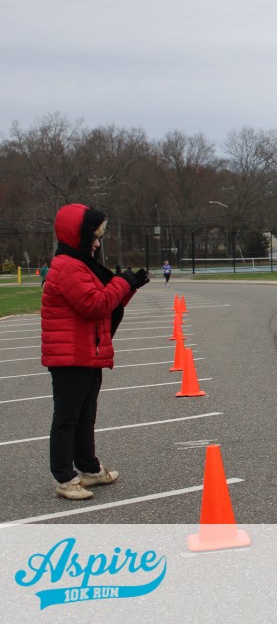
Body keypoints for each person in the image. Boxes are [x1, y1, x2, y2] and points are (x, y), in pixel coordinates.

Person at [41, 204, 150, 500]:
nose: (97, 243)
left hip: (87, 352)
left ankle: (89, 468)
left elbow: (105, 305)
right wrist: (121, 283)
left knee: (85, 415)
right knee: (68, 417)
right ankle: (64, 478)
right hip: (70, 356)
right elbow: (93, 304)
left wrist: (129, 287)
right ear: (79, 235)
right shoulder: (68, 267)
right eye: (94, 236)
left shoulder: (82, 265)